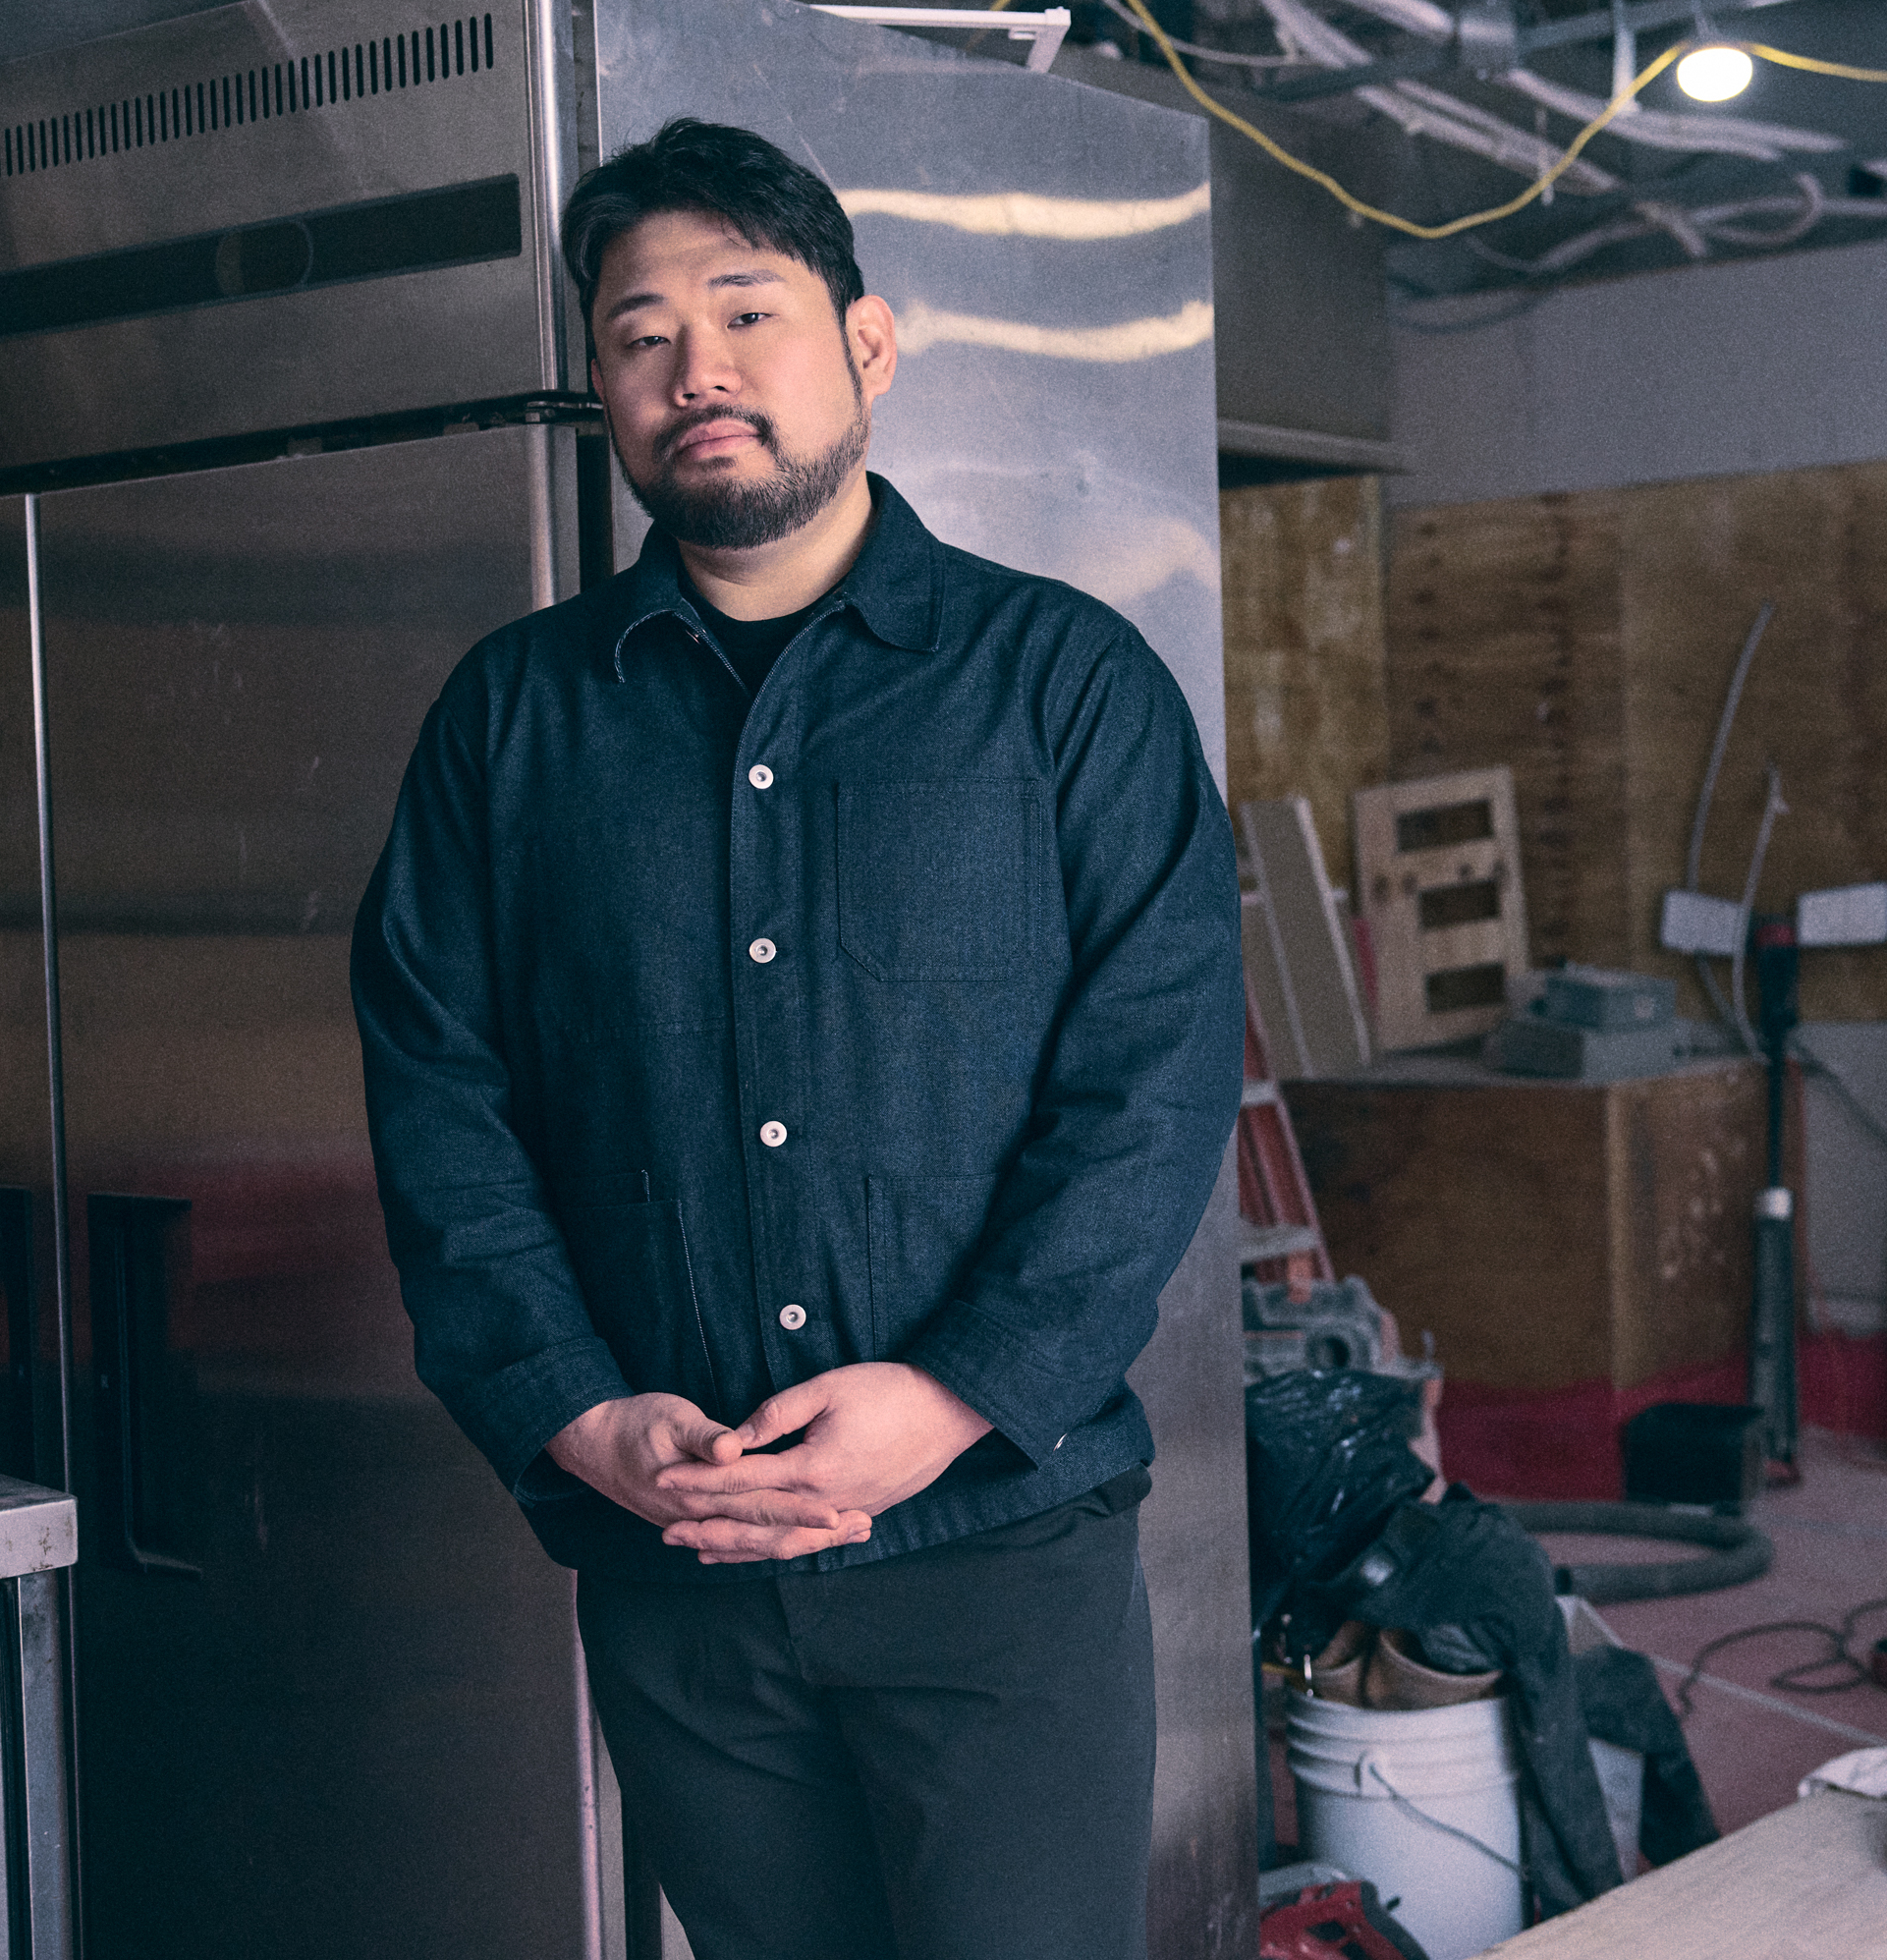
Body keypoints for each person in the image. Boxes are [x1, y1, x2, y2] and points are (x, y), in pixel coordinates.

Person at [351, 117, 1242, 1960]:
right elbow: (439, 1096)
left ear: (867, 342)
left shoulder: (1063, 688)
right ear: (600, 385)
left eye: (747, 311)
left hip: (996, 1554)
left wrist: (949, 1395)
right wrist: (575, 1411)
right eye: (640, 332)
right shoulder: (514, 723)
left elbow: (1150, 1090)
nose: (698, 370)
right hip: (675, 1565)